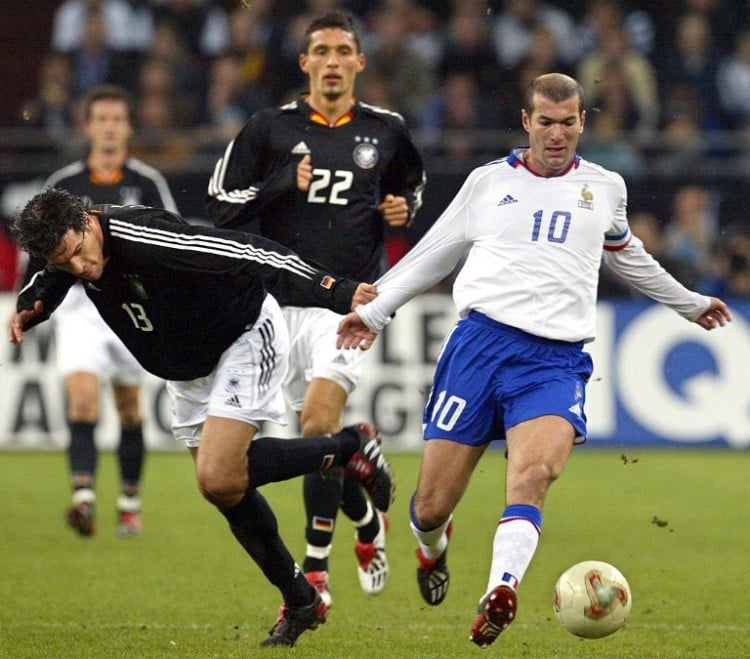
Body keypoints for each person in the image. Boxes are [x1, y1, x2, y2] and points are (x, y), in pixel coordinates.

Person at [336, 73, 732, 649]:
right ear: (526, 123)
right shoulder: (487, 184)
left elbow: (630, 257)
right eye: (545, 122)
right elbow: (432, 256)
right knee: (429, 506)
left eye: (567, 122)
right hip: (478, 348)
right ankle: (431, 551)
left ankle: (500, 589)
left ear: (582, 123)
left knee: (533, 475)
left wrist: (689, 303)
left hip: (555, 360)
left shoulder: (605, 188)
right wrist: (373, 313)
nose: (556, 134)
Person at [8, 188, 394, 648]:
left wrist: (337, 290)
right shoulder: (70, 251)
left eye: (78, 253)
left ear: (88, 222)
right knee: (220, 488)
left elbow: (250, 250)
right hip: (188, 371)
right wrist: (33, 305)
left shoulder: (147, 236)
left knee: (218, 472)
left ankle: (348, 447)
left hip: (243, 335)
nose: (79, 268)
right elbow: (52, 272)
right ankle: (301, 599)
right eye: (64, 261)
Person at [206, 10, 426, 604]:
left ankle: (316, 568)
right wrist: (281, 183)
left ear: (360, 61)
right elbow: (221, 206)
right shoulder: (267, 129)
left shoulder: (386, 130)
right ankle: (367, 522)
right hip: (274, 308)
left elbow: (411, 186)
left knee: (319, 425)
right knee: (318, 449)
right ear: (304, 63)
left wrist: (404, 207)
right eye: (321, 51)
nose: (332, 61)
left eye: (343, 50)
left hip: (348, 303)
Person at [35, 84, 179, 537]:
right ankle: (84, 498)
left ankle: (129, 501)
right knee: (82, 399)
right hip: (79, 305)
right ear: (89, 126)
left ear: (129, 127)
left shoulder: (149, 182)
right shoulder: (63, 185)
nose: (111, 127)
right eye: (103, 119)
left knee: (129, 408)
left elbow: (171, 242)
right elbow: (39, 251)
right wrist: (31, 302)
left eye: (118, 119)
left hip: (128, 302)